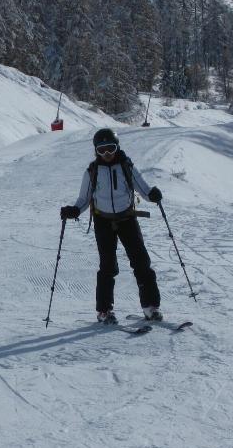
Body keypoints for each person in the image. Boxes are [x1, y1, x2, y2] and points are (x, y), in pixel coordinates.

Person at [60, 128, 163, 325]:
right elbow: (84, 199)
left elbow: (142, 187)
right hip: (103, 221)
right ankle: (104, 311)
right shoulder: (92, 171)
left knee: (141, 261)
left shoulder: (126, 166)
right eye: (102, 150)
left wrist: (152, 195)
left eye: (111, 148)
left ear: (117, 147)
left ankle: (151, 307)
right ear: (96, 151)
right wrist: (73, 210)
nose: (107, 154)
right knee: (107, 266)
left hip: (127, 218)